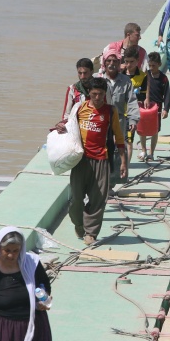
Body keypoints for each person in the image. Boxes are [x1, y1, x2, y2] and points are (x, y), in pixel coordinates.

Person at [65, 77, 127, 243]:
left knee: (98, 200)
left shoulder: (110, 111)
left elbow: (119, 137)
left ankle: (90, 233)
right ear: (89, 94)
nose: (97, 98)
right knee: (76, 198)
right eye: (94, 94)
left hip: (101, 160)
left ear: (105, 94)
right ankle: (78, 223)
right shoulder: (79, 109)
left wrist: (123, 161)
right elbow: (68, 128)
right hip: (81, 160)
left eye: (100, 94)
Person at [0, 228, 52, 341]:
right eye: (7, 250)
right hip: (1, 326)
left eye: (15, 251)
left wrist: (43, 299)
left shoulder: (32, 263)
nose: (11, 255)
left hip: (33, 324)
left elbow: (44, 284)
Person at [97, 49, 139, 172]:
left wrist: (133, 120)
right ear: (104, 63)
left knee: (118, 149)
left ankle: (115, 177)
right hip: (101, 119)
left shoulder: (126, 81)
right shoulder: (98, 79)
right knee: (102, 148)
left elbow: (131, 101)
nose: (111, 63)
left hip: (119, 120)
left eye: (115, 61)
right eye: (108, 61)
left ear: (119, 63)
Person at [138, 52, 170, 162]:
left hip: (156, 108)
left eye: (154, 66)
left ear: (159, 64)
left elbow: (167, 95)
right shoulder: (144, 76)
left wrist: (166, 109)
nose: (151, 68)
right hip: (144, 106)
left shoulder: (164, 79)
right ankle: (143, 150)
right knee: (141, 129)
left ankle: (151, 153)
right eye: (150, 65)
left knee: (154, 131)